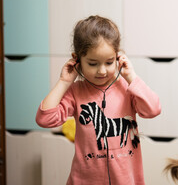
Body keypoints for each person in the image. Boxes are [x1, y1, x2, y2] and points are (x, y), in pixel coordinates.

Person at [36, 15, 161, 185]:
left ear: (118, 57)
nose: (102, 71)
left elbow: (153, 109)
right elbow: (45, 119)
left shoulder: (128, 87)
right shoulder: (75, 92)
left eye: (109, 62)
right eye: (93, 63)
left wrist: (131, 77)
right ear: (77, 59)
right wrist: (64, 82)